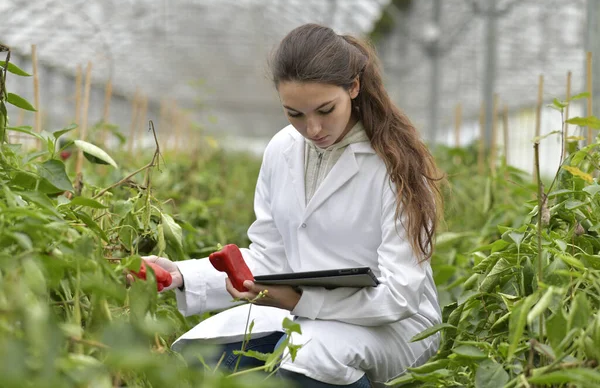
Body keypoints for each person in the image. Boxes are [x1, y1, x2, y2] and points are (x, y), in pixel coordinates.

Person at [140, 23, 443, 387]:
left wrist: (300, 301)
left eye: (325, 110)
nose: (312, 128)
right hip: (306, 315)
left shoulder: (395, 163)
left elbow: (398, 296)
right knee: (194, 353)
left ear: (354, 87)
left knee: (313, 360)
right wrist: (180, 274)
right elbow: (270, 257)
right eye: (294, 114)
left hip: (392, 325)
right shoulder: (282, 149)